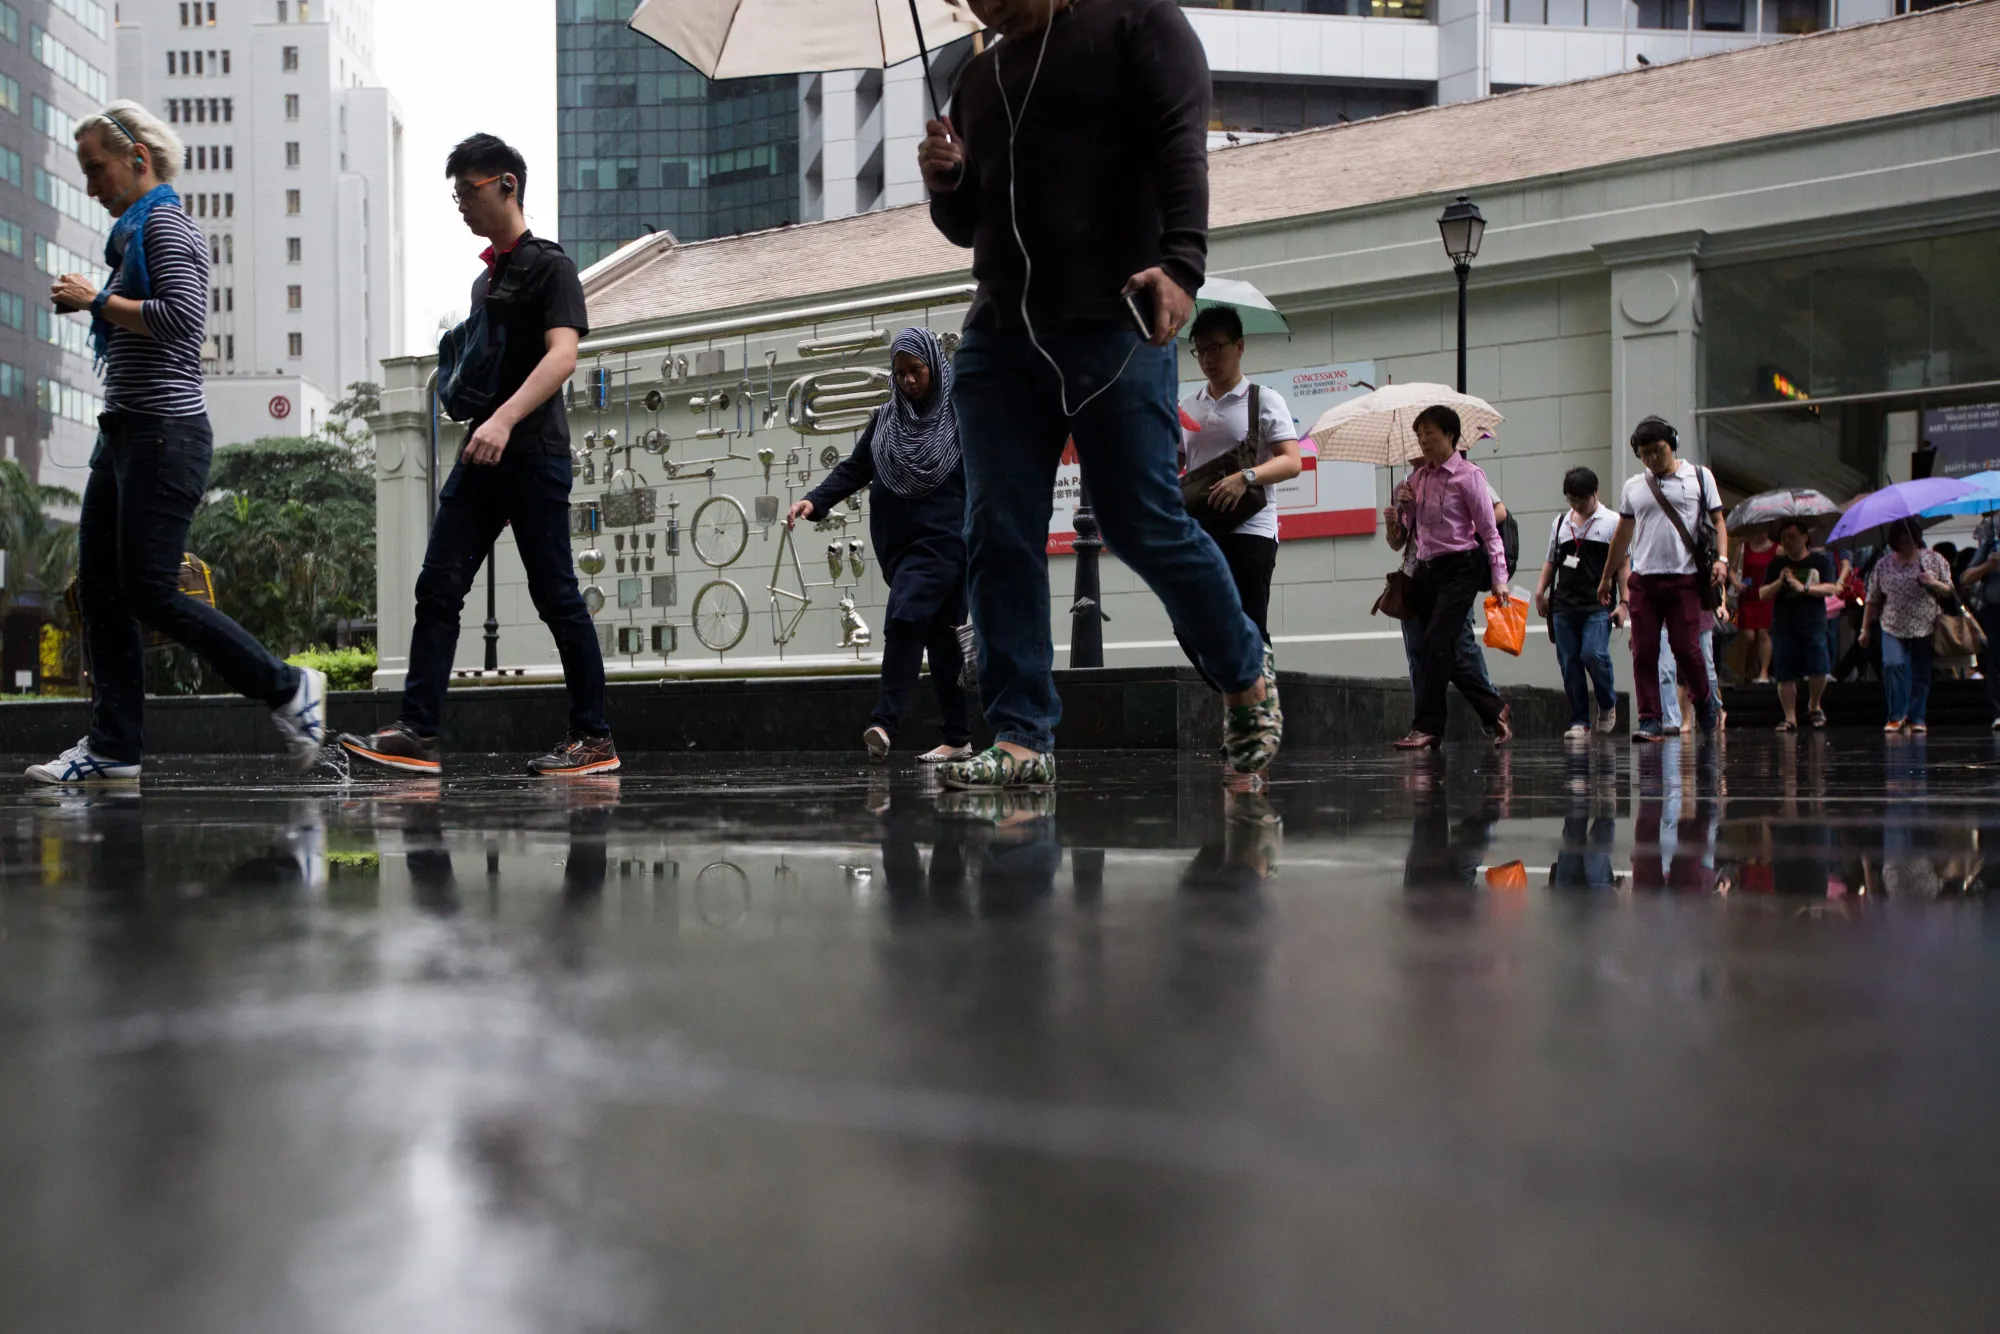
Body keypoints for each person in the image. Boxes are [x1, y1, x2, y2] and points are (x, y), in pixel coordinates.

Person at [918, 0, 1279, 789]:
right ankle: (1021, 735)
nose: (980, 3)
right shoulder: (975, 80)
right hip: (1000, 335)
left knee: (1141, 519)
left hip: (1115, 317)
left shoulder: (1140, 24)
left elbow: (1182, 149)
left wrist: (1182, 267)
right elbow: (973, 222)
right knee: (997, 530)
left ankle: (1244, 672)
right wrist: (948, 184)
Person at [28, 101, 327, 785]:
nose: (90, 184)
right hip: (124, 433)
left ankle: (287, 688)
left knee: (151, 591)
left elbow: (180, 321)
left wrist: (94, 301)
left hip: (166, 435)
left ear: (138, 159)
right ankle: (113, 748)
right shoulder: (130, 238)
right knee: (100, 592)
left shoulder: (165, 225)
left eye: (96, 169)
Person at [338, 134, 614, 776]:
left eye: (470, 190)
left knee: (556, 596)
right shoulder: (483, 281)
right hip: (481, 456)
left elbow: (563, 356)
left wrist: (505, 419)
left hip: (533, 454)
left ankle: (594, 738)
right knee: (437, 587)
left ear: (508, 185)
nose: (462, 203)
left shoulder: (552, 267)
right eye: (457, 193)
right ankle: (418, 733)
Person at [787, 327, 972, 764]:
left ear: (935, 369)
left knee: (905, 617)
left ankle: (883, 724)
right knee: (944, 642)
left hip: (944, 542)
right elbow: (855, 469)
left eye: (917, 371)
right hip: (900, 546)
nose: (908, 380)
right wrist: (814, 501)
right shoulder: (887, 419)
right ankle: (958, 738)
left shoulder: (959, 416)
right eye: (900, 373)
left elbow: (988, 472)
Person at [1177, 305, 1303, 672]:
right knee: (1187, 620)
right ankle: (1242, 697)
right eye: (1200, 350)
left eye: (1216, 347)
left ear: (1240, 346)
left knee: (1249, 623)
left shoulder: (1263, 399)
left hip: (1251, 528)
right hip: (1201, 528)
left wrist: (1244, 477)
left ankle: (1261, 718)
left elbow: (1292, 461)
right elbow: (1172, 465)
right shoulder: (1186, 405)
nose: (1207, 358)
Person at [1382, 406, 1513, 749]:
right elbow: (1405, 537)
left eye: (1431, 434)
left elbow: (1490, 531)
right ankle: (1495, 708)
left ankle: (1427, 728)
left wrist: (1499, 578)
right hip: (1426, 572)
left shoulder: (1469, 476)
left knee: (1439, 642)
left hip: (1461, 568)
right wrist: (1401, 512)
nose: (1423, 441)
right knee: (1437, 650)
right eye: (1420, 434)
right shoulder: (1416, 480)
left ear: (1451, 436)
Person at [1598, 415, 1728, 743]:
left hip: (1685, 578)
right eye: (1645, 454)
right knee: (1644, 650)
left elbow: (1718, 521)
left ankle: (1704, 701)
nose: (1653, 459)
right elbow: (1622, 536)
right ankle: (1651, 719)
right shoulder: (1634, 487)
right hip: (1644, 581)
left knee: (1687, 650)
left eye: (1658, 450)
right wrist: (1606, 578)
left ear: (1672, 445)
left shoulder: (1699, 477)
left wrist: (1723, 560)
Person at [1533, 466, 1623, 739]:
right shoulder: (1561, 523)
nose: (1576, 505)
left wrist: (1625, 602)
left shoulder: (1612, 522)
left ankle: (1607, 703)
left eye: (1581, 500)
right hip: (1564, 604)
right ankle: (1580, 720)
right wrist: (1540, 592)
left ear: (1595, 493)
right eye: (1571, 500)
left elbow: (1623, 566)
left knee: (1593, 654)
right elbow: (1552, 560)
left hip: (1598, 604)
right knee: (1569, 661)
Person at [1860, 519, 1952, 735]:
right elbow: (1872, 598)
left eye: (1909, 539)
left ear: (1917, 538)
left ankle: (1916, 717)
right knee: (1893, 665)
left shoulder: (1933, 560)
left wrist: (1933, 583)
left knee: (1920, 672)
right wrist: (1865, 629)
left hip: (1925, 624)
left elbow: (1949, 590)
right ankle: (1896, 715)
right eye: (1900, 540)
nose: (1905, 544)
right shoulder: (1883, 564)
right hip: (1892, 623)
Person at [1759, 517, 1838, 731]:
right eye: (1784, 538)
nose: (1788, 542)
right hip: (1784, 624)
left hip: (1812, 622)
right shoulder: (1777, 565)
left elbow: (1831, 588)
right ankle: (1790, 717)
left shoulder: (1820, 561)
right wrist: (1779, 582)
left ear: (1805, 537)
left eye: (1792, 537)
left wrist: (1804, 588)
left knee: (1819, 669)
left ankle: (1814, 704)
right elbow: (1762, 593)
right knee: (1785, 673)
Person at [1961, 514, 2000, 729]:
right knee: (1995, 660)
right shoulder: (1991, 542)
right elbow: (1966, 577)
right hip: (1994, 609)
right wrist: (1989, 566)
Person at [1732, 527, 1776, 683]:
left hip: (1765, 595)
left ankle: (1763, 673)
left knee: (1763, 634)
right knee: (1748, 635)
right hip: (1747, 596)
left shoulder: (1777, 549)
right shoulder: (1743, 547)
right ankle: (1744, 668)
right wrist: (1736, 583)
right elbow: (1732, 570)